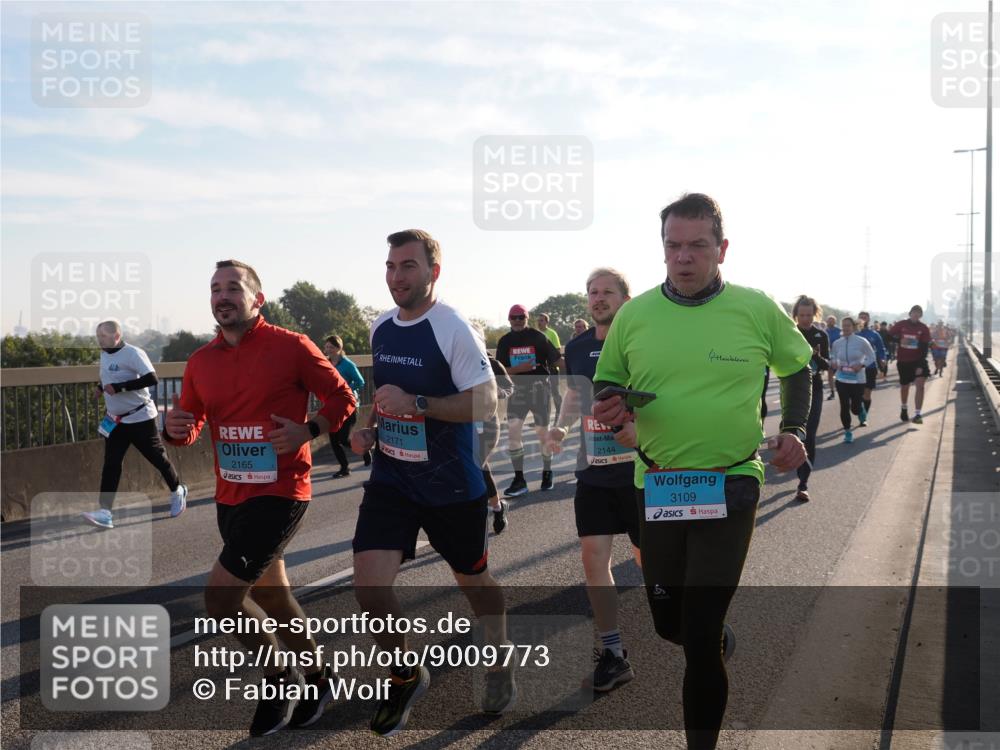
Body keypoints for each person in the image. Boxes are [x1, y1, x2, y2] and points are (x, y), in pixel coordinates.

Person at [593, 193, 812, 750]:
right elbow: (607, 382)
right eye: (673, 246)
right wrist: (611, 403)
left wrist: (796, 429)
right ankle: (706, 637)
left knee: (700, 632)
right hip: (658, 481)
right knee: (669, 623)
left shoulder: (756, 307)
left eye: (697, 245)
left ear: (722, 249)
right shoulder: (635, 314)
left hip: (733, 481)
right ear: (662, 248)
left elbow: (797, 370)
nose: (683, 257)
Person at [164, 260, 356, 736]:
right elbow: (191, 424)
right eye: (215, 289)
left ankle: (278, 677)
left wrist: (309, 430)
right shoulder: (200, 361)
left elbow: (344, 397)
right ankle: (318, 675)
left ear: (257, 299)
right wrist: (174, 431)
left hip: (281, 489)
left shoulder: (291, 347)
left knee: (222, 598)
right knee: (272, 594)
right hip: (231, 496)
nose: (222, 296)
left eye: (233, 288)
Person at [349, 229, 514, 736]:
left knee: (474, 581)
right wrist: (369, 427)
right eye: (391, 266)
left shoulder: (452, 329)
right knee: (368, 589)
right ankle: (405, 671)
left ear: (433, 271)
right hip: (393, 479)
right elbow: (386, 396)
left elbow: (486, 402)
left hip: (450, 485)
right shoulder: (381, 327)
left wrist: (421, 406)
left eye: (408, 266)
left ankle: (499, 655)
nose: (396, 276)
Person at [545, 267, 641, 692]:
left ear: (625, 297)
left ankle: (696, 625)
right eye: (592, 292)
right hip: (594, 472)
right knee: (592, 559)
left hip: (640, 471)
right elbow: (573, 394)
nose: (598, 298)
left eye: (607, 292)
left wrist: (637, 425)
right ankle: (614, 652)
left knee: (648, 561)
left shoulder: (643, 340)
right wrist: (562, 427)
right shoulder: (578, 344)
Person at [81, 321, 188, 530]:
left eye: (103, 336)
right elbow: (109, 376)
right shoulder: (105, 354)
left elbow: (152, 378)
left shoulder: (133, 353)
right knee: (111, 464)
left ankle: (177, 490)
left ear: (116, 337)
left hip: (140, 418)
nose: (99, 340)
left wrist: (119, 388)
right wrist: (100, 388)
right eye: (97, 335)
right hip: (115, 420)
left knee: (157, 458)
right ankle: (105, 513)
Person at [496, 304, 561, 496]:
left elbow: (556, 360)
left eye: (521, 317)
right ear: (508, 319)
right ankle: (519, 479)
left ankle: (547, 472)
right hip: (517, 392)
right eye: (514, 317)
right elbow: (500, 370)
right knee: (514, 432)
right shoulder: (505, 341)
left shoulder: (539, 337)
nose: (517, 320)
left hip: (539, 390)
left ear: (527, 318)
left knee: (543, 434)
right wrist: (520, 369)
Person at [471, 322, 516, 534]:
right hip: (462, 423)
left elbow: (509, 387)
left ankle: (494, 509)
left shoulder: (492, 364)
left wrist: (493, 391)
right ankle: (494, 507)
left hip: (487, 424)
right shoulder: (453, 362)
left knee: (476, 463)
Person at [791, 296, 829, 501]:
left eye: (809, 315)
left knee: (810, 436)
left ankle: (803, 483)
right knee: (797, 434)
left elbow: (827, 364)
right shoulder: (790, 332)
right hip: (792, 389)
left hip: (815, 388)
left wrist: (813, 355)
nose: (805, 319)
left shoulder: (820, 335)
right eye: (802, 315)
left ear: (815, 314)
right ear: (796, 315)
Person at [323, 334, 371, 476]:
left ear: (339, 348)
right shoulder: (327, 363)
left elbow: (361, 381)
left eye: (331, 347)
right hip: (332, 405)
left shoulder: (348, 364)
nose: (328, 350)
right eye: (326, 347)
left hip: (349, 405)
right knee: (333, 439)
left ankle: (364, 450)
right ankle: (344, 468)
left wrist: (346, 388)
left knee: (343, 439)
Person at [830, 316, 875, 444]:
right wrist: (833, 362)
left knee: (854, 408)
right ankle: (847, 432)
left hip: (858, 379)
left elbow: (871, 356)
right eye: (843, 325)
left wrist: (861, 365)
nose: (845, 328)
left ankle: (860, 409)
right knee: (844, 405)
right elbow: (832, 355)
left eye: (848, 325)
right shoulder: (837, 343)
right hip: (841, 378)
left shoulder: (862, 341)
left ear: (853, 327)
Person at [889, 305, 932, 424]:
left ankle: (918, 414)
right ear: (910, 314)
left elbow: (924, 348)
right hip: (903, 361)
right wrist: (899, 341)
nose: (916, 315)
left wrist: (919, 365)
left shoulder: (923, 328)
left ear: (921, 316)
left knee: (920, 386)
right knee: (905, 387)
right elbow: (888, 336)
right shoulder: (901, 324)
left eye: (918, 313)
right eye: (914, 313)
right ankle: (904, 407)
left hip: (918, 360)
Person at [855, 312, 887, 425]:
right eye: (861, 317)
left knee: (867, 393)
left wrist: (882, 359)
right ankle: (859, 410)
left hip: (870, 367)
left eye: (865, 317)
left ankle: (864, 417)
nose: (863, 319)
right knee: (856, 394)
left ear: (868, 319)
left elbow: (881, 349)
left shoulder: (874, 334)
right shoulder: (853, 333)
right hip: (855, 368)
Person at [536, 312, 564, 421]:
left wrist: (551, 363)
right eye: (538, 320)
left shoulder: (552, 333)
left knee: (555, 392)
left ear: (547, 322)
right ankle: (543, 417)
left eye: (542, 320)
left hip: (551, 368)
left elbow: (557, 350)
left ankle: (560, 414)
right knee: (541, 394)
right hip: (540, 369)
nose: (539, 322)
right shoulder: (536, 334)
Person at [824, 315, 841, 400]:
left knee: (839, 374)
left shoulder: (839, 331)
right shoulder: (825, 331)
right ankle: (832, 392)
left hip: (839, 355)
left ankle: (841, 389)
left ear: (835, 322)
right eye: (829, 321)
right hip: (829, 355)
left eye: (832, 321)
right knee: (830, 374)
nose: (830, 322)